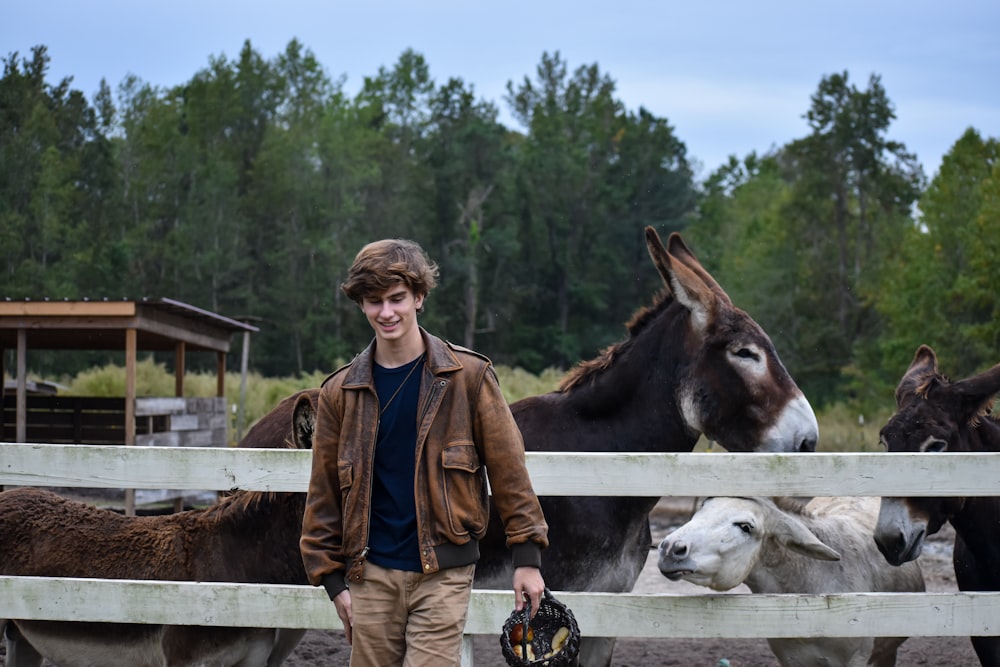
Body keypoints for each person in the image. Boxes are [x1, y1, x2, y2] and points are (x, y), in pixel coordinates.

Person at [300, 238, 548, 667]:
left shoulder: (468, 377)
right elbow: (323, 495)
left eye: (397, 298)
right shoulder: (339, 393)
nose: (387, 312)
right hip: (370, 575)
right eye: (374, 301)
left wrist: (527, 558)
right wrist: (334, 582)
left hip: (443, 573)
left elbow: (511, 473)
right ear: (361, 304)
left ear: (419, 297)